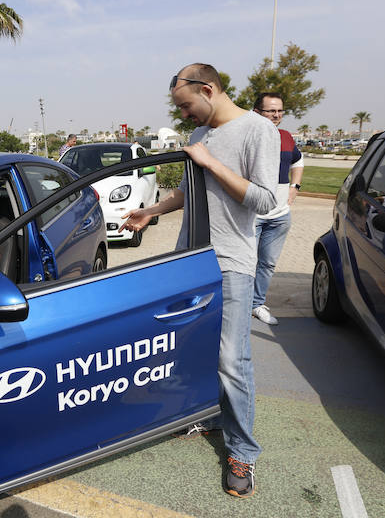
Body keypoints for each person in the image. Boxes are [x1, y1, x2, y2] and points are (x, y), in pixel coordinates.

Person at [118, 63, 278, 498]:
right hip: (190, 262)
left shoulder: (258, 130)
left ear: (208, 89)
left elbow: (263, 200)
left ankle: (242, 450)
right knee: (195, 348)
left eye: (187, 106)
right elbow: (191, 190)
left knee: (232, 360)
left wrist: (209, 161)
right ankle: (208, 416)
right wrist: (151, 212)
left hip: (230, 264)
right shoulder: (196, 137)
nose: (185, 116)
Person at [250, 93, 304, 326]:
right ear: (256, 112)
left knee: (267, 264)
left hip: (280, 217)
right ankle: (238, 306)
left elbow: (298, 161)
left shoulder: (286, 137)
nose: (277, 115)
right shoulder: (249, 137)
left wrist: (295, 186)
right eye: (271, 111)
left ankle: (256, 304)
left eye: (280, 111)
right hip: (251, 216)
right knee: (243, 264)